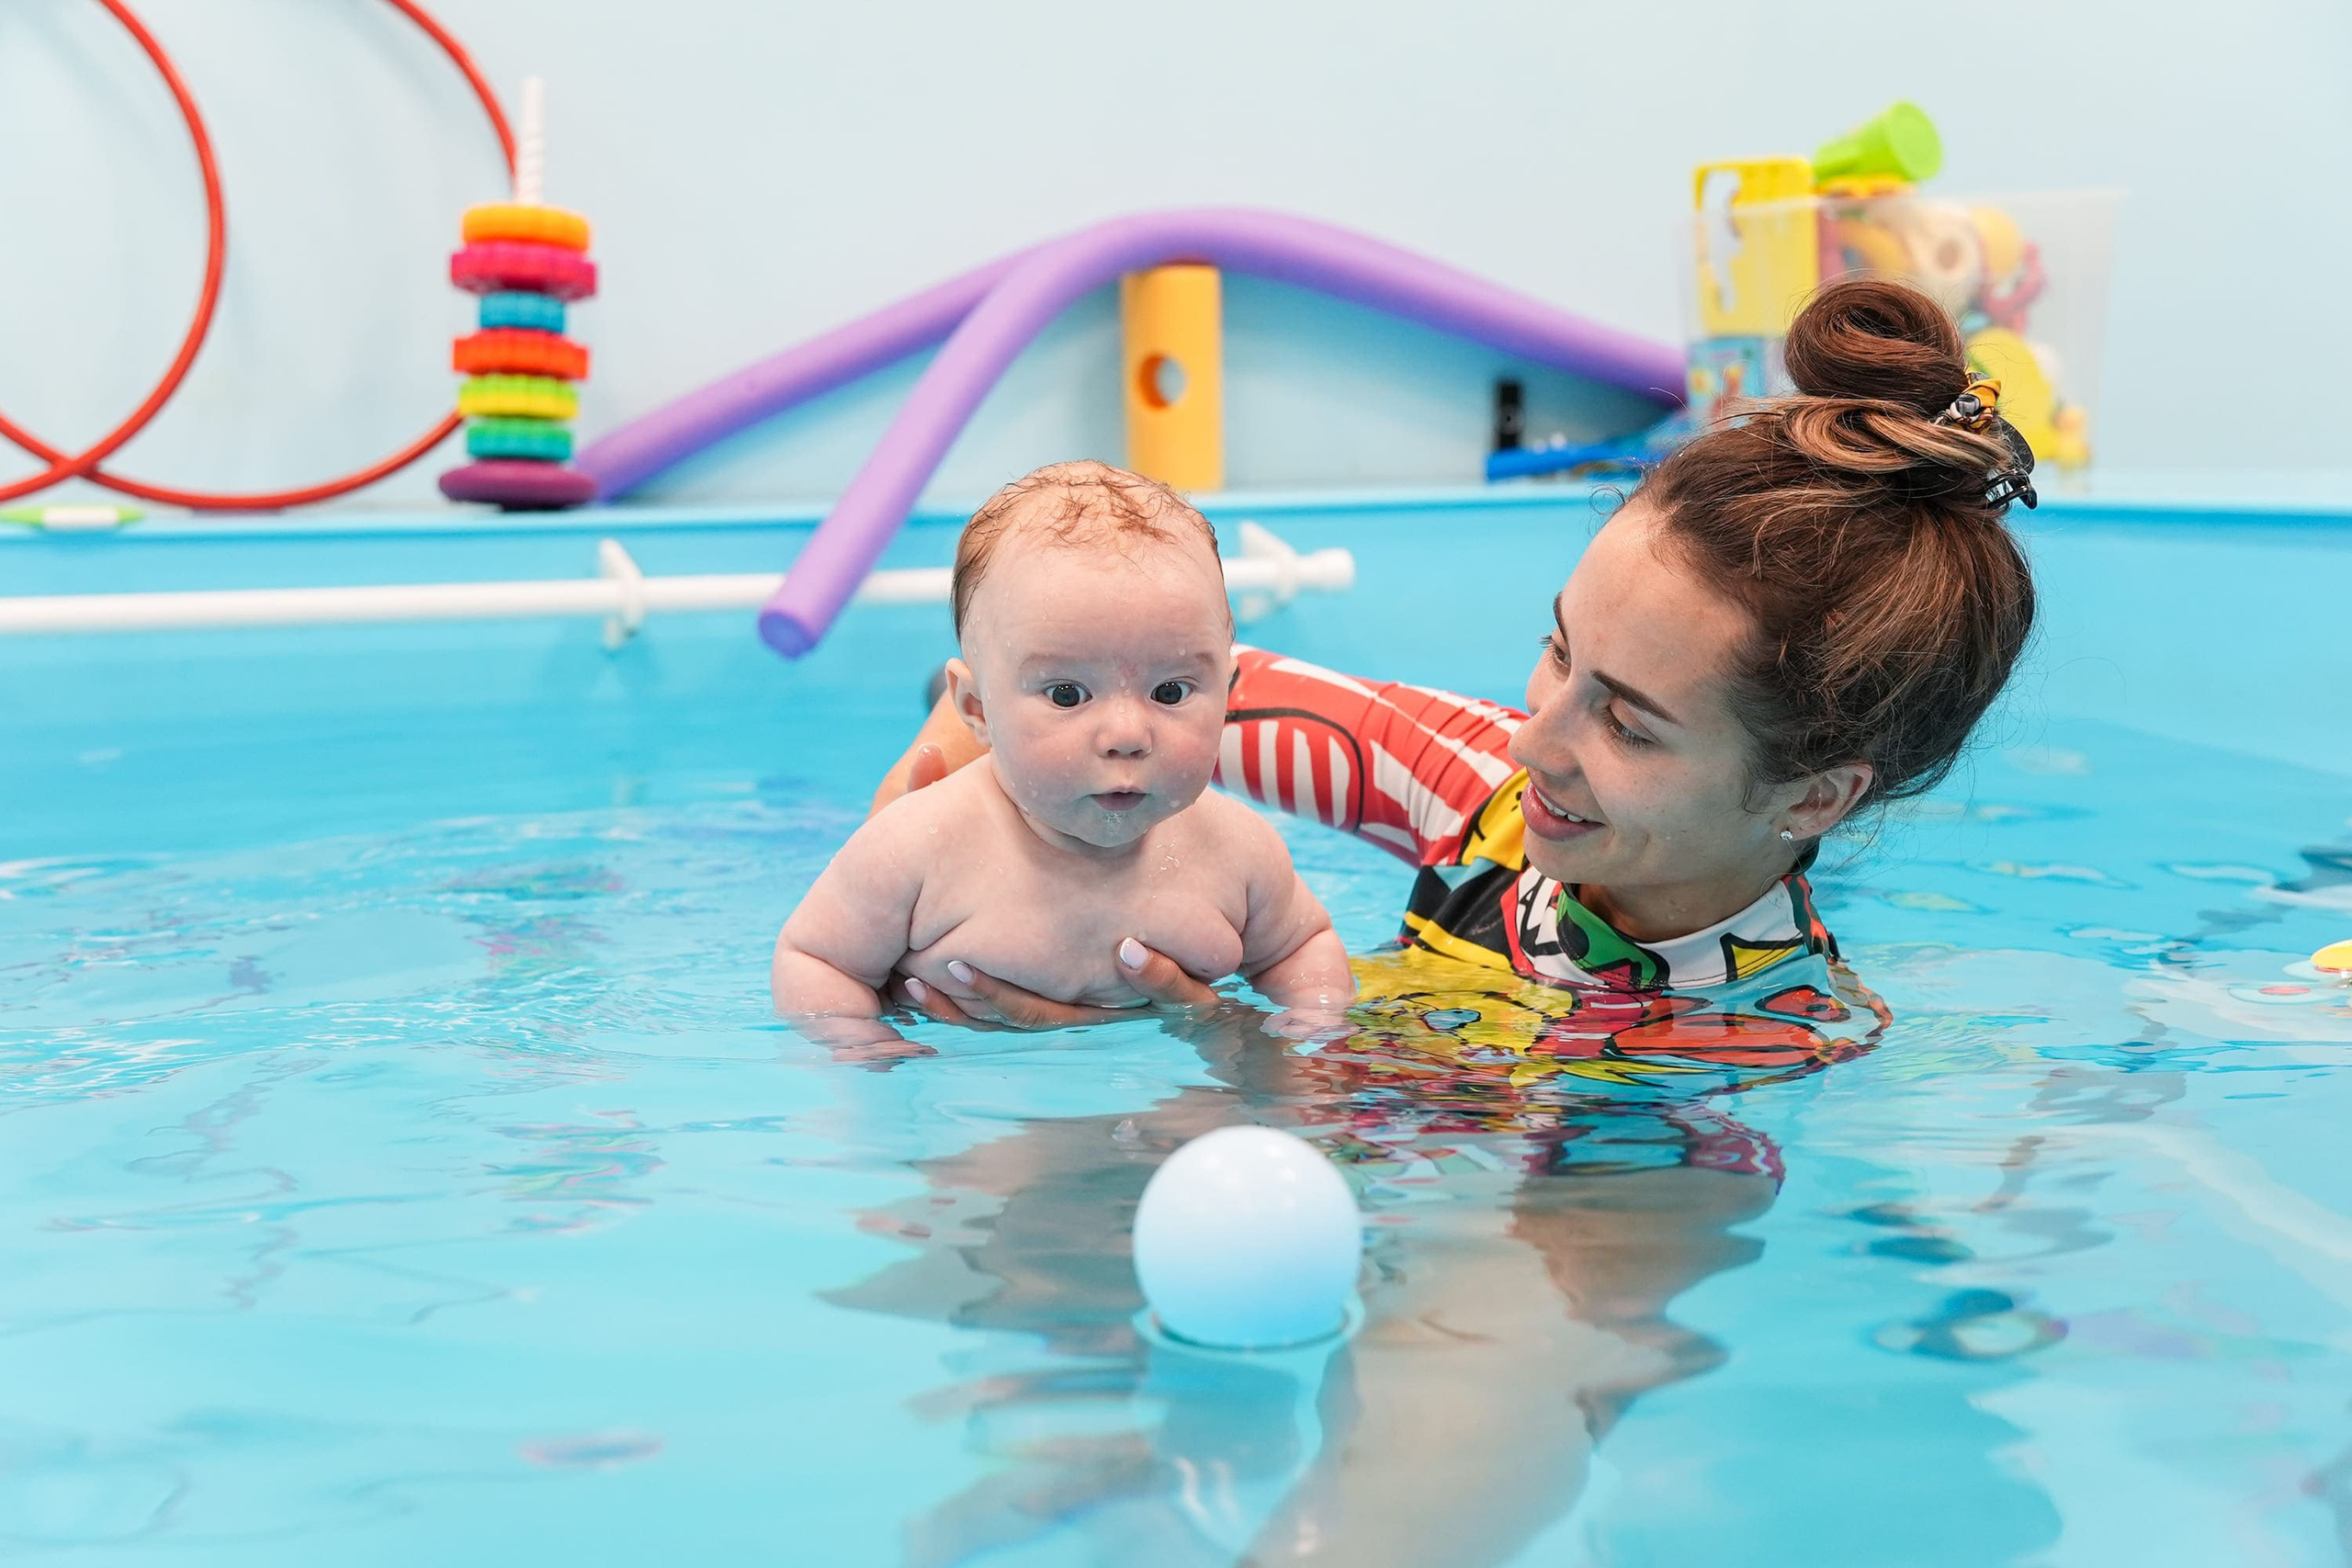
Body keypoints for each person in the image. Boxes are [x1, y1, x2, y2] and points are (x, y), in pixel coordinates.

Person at [872, 277, 2037, 1044]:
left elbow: (1523, 1283)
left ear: (1814, 792)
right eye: (1558, 652)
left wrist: (1205, 1034)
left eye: (1626, 724)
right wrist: (954, 753)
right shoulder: (1478, 787)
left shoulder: (1754, 1041)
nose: (1531, 740)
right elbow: (1135, 687)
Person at [771, 461, 1355, 1057]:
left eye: (1171, 691)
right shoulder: (920, 845)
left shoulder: (1238, 850)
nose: (1127, 734)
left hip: (1175, 1104)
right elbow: (815, 959)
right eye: (1067, 694)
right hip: (985, 1113)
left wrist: (1314, 1026)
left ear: (1228, 693)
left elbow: (1300, 947)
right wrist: (863, 1044)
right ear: (975, 707)